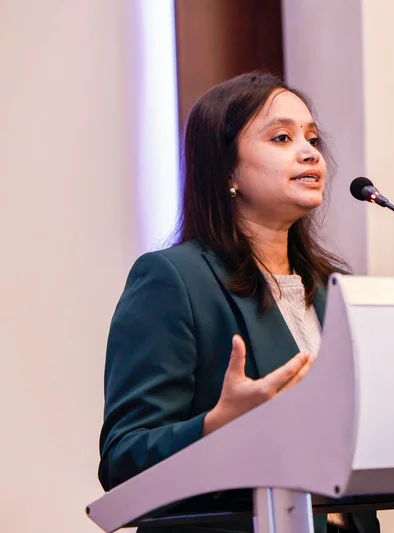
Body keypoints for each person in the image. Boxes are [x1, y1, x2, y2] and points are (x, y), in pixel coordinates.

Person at [98, 72, 379, 533]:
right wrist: (215, 424)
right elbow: (122, 461)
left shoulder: (334, 290)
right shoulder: (174, 280)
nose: (310, 153)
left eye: (312, 139)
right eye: (282, 138)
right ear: (227, 169)